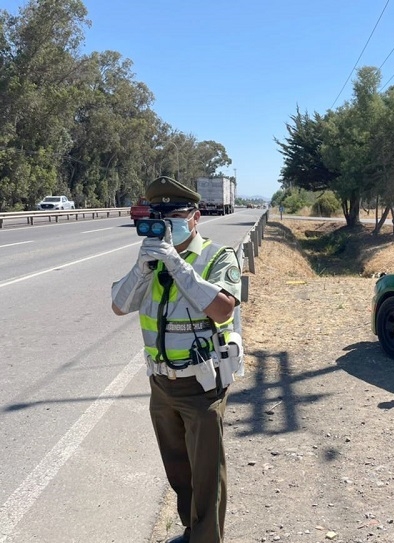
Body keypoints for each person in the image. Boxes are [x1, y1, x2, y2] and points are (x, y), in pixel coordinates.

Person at [111, 176, 243, 543]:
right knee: (178, 471)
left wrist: (177, 264)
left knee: (206, 476)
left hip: (202, 386)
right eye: (159, 214)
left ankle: (206, 539)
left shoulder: (217, 256)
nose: (167, 222)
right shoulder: (151, 259)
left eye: (176, 214)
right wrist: (142, 268)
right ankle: (190, 529)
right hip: (161, 386)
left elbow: (221, 309)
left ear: (196, 217)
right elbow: (119, 306)